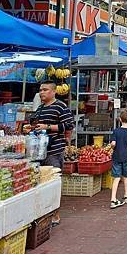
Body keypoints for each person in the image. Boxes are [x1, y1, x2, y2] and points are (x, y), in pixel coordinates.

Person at [33, 81, 74, 225]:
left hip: (54, 151)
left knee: (54, 182)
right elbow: (35, 124)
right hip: (38, 152)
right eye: (40, 90)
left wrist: (48, 127)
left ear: (53, 91)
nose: (41, 92)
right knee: (41, 182)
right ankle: (43, 213)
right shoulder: (40, 108)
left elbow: (69, 125)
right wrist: (30, 128)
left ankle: (55, 214)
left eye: (45, 90)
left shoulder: (60, 107)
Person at [109, 109, 127, 209]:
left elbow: (113, 144)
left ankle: (113, 198)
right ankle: (126, 195)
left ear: (119, 119)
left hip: (117, 157)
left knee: (116, 177)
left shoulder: (116, 131)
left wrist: (112, 147)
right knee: (126, 176)